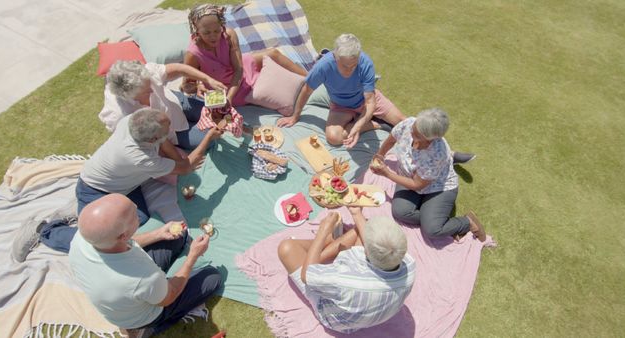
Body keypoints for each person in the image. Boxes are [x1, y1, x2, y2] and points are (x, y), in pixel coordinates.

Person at [69, 193, 222, 337]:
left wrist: (159, 234)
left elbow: (124, 242)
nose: (136, 205)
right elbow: (170, 296)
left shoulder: (82, 238)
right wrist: (192, 256)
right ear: (123, 235)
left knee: (177, 237)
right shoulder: (142, 277)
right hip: (144, 314)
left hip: (125, 296)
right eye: (133, 214)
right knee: (212, 277)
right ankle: (148, 328)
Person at [277, 208, 415, 333]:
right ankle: (324, 247)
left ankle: (324, 244)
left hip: (336, 320)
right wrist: (356, 213)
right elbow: (366, 233)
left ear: (366, 251)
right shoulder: (409, 265)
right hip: (363, 312)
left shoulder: (345, 280)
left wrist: (322, 232)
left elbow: (306, 276)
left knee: (287, 248)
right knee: (363, 226)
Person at [79, 107, 222, 225]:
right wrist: (208, 136)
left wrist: (179, 160)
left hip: (126, 185)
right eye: (168, 128)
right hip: (96, 189)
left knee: (139, 218)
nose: (171, 129)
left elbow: (164, 142)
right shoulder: (141, 158)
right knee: (99, 232)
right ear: (152, 139)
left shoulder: (133, 120)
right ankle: (59, 234)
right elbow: (186, 169)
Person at [370, 108, 486, 241]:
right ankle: (432, 216)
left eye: (417, 134)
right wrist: (380, 155)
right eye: (414, 127)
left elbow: (417, 185)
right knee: (400, 212)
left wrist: (387, 173)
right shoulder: (408, 124)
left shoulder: (437, 153)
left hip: (438, 188)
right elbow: (391, 139)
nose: (411, 132)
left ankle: (466, 222)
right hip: (409, 177)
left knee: (432, 230)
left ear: (431, 139)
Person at [276, 33, 406, 148]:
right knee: (334, 138)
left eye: (353, 65)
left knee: (403, 121)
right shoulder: (323, 66)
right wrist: (295, 116)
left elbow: (370, 101)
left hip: (366, 101)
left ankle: (362, 121)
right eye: (344, 65)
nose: (349, 70)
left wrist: (357, 126)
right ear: (335, 56)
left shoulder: (366, 63)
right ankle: (375, 124)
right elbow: (307, 90)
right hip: (341, 106)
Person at [183, 4, 308, 108]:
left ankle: (310, 77)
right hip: (228, 88)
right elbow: (185, 87)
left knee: (273, 53)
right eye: (207, 33)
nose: (213, 36)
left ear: (222, 25)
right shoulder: (193, 54)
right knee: (269, 87)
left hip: (239, 70)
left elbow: (239, 69)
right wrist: (199, 86)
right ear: (197, 31)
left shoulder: (229, 35)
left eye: (217, 30)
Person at [100, 60, 226, 150]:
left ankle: (196, 109)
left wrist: (208, 80)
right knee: (211, 138)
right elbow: (140, 145)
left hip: (175, 103)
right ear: (129, 96)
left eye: (150, 84)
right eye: (145, 91)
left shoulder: (146, 71)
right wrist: (172, 153)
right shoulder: (118, 115)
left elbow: (179, 69)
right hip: (170, 133)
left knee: (218, 111)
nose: (151, 90)